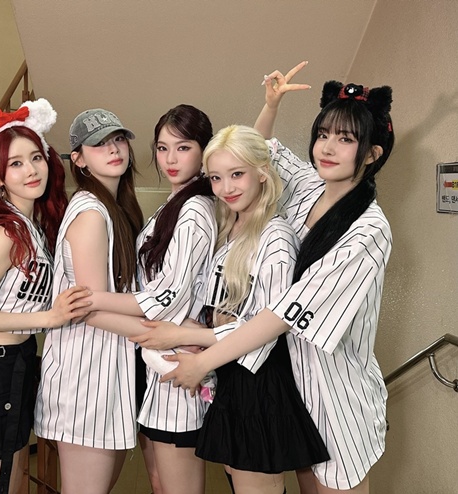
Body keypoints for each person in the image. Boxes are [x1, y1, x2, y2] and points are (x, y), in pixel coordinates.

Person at [138, 64, 395, 493]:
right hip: (286, 378)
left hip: (332, 391)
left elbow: (282, 314)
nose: (328, 147)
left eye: (346, 139)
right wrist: (271, 106)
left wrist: (202, 359)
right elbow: (254, 156)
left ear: (372, 154)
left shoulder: (368, 230)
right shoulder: (311, 185)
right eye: (323, 134)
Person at [135, 123, 330, 494]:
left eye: (237, 174)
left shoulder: (275, 237)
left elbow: (266, 327)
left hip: (258, 383)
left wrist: (184, 334)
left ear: (262, 172)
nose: (226, 188)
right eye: (216, 178)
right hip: (230, 376)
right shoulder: (229, 228)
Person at [0, 99, 91, 494]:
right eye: (15, 163)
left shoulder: (32, 227)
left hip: (18, 362)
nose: (31, 170)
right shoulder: (7, 232)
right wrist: (48, 318)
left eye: (35, 158)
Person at [80, 104, 217, 494]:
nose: (170, 159)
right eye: (162, 148)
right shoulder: (172, 206)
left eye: (183, 147)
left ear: (204, 151)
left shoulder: (195, 209)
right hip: (156, 364)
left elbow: (165, 297)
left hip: (178, 366)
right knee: (159, 481)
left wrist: (93, 300)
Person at [34, 108, 143, 494]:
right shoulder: (92, 212)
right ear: (78, 159)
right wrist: (159, 334)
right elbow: (90, 307)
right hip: (84, 376)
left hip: (105, 370)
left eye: (118, 139)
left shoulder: (116, 207)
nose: (113, 149)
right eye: (99, 144)